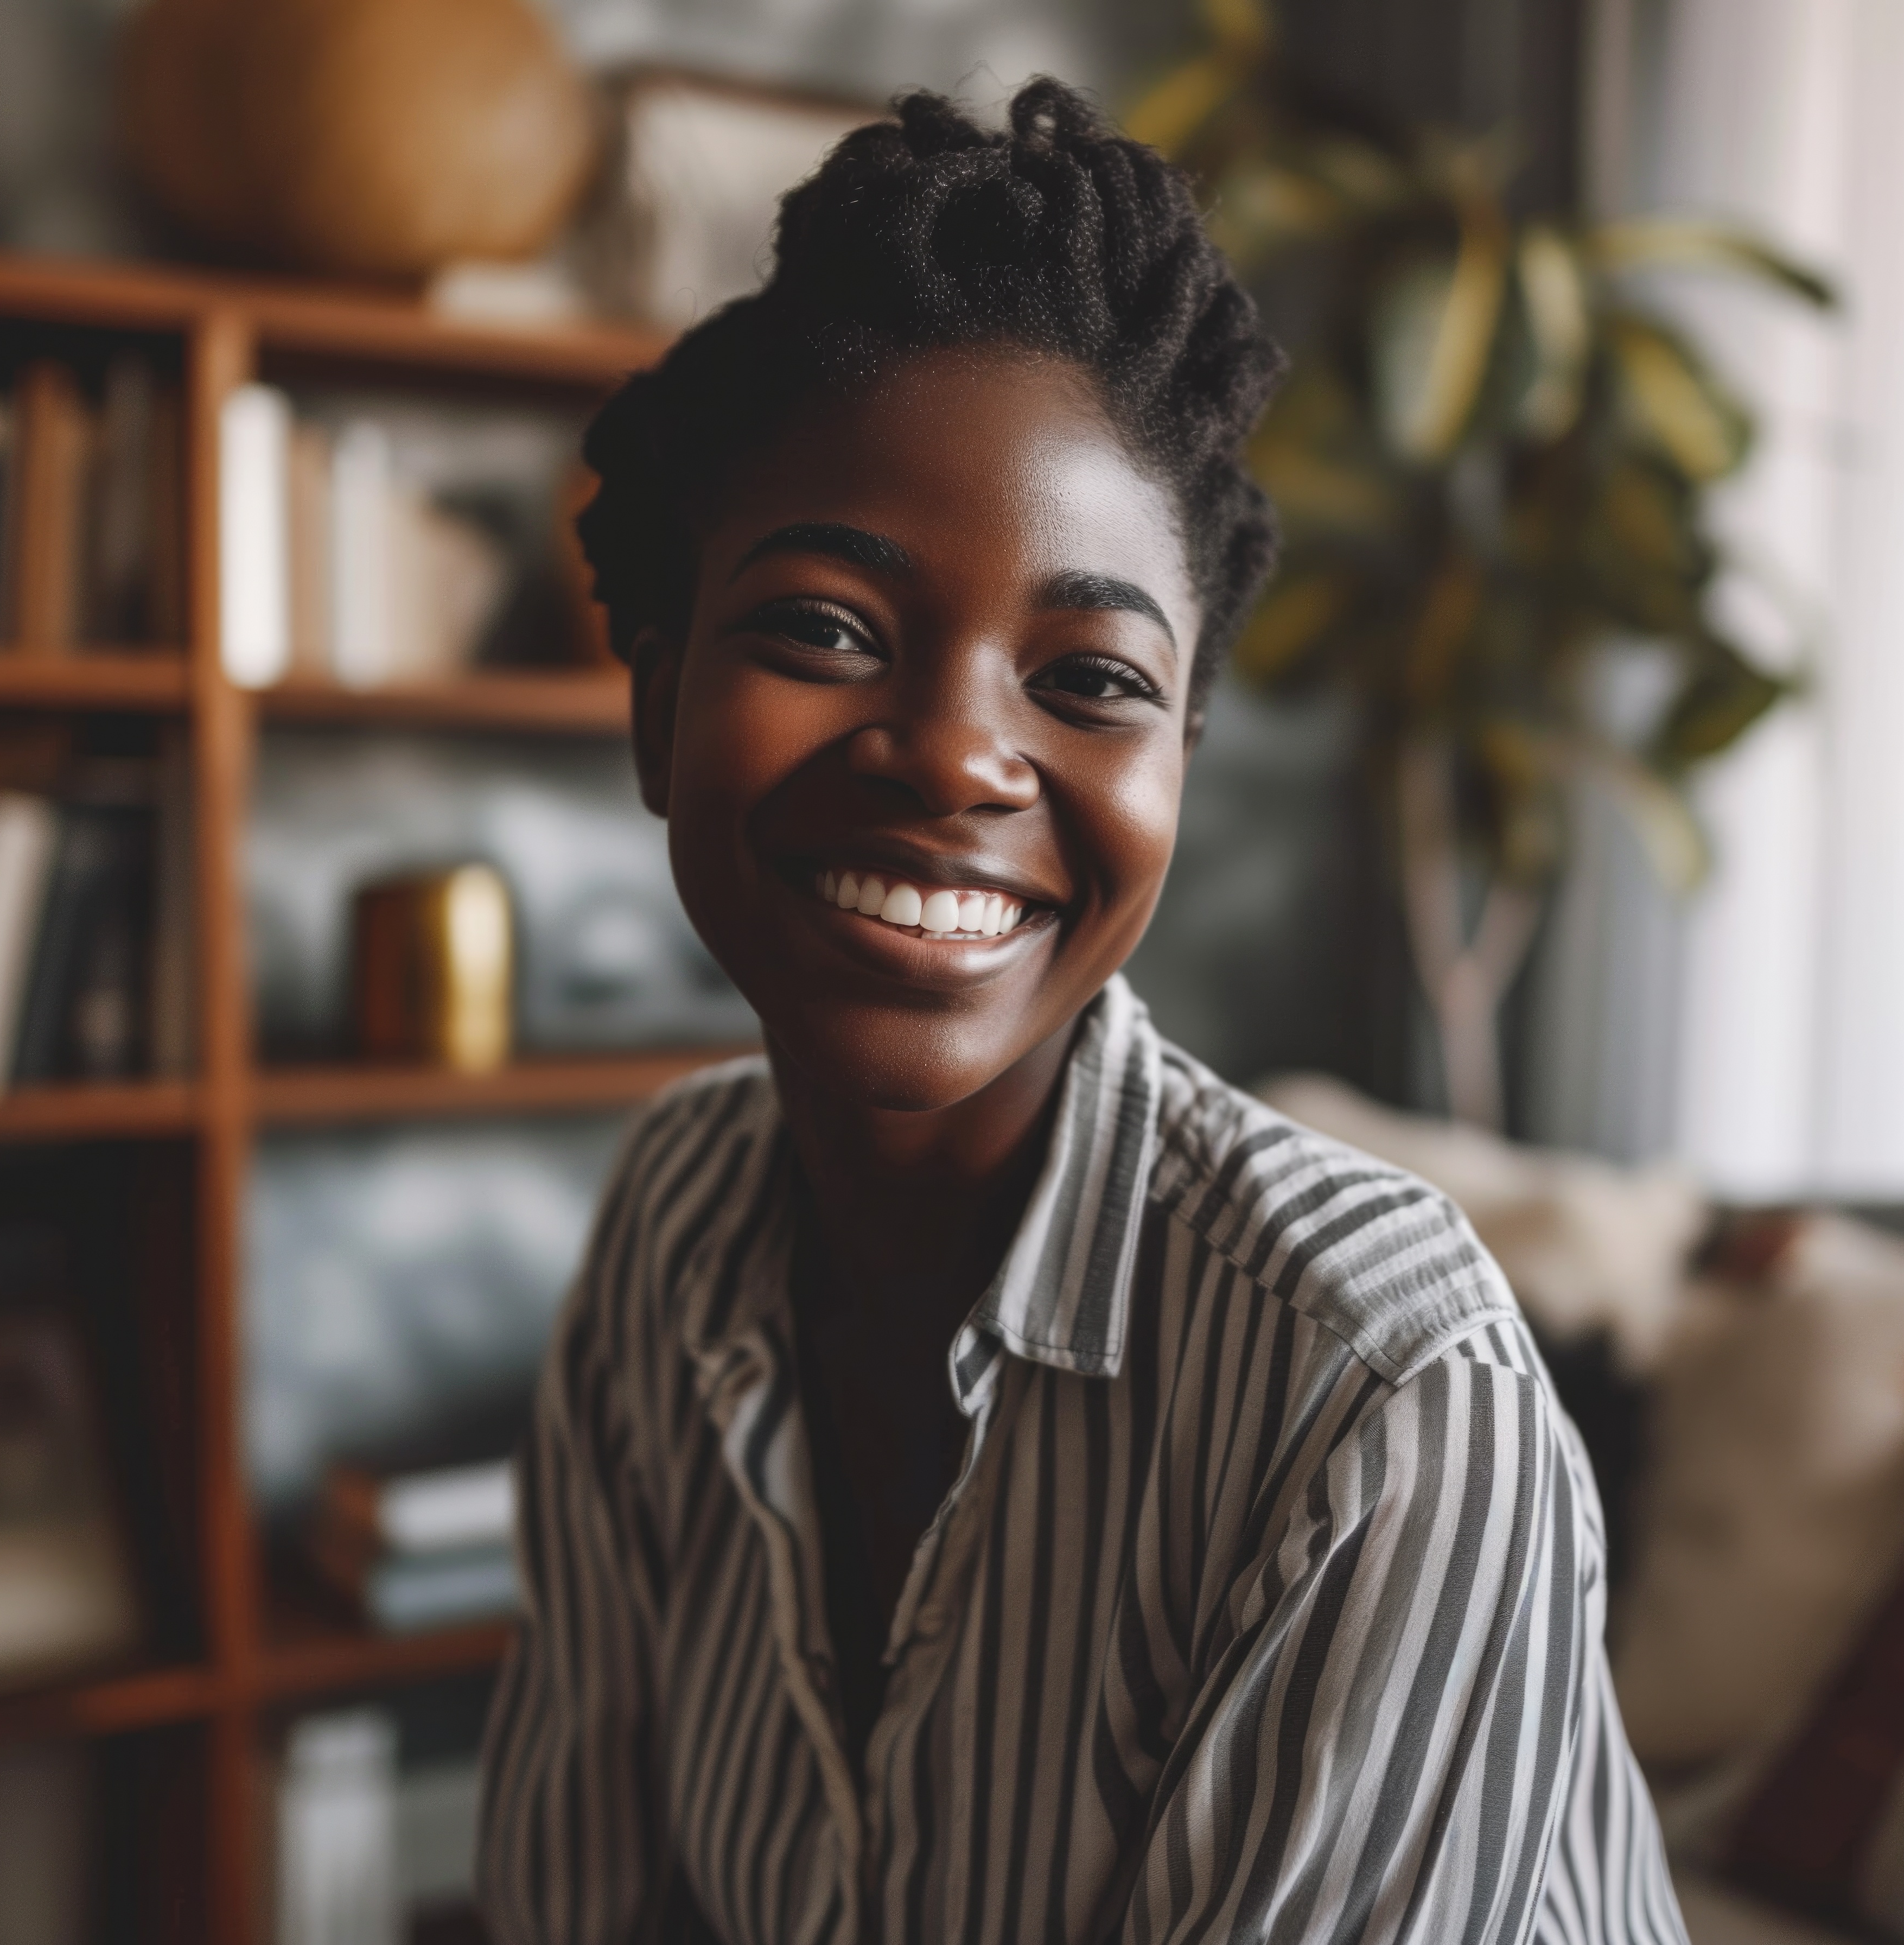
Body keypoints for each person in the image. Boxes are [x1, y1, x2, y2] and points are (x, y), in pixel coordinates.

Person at [477, 79, 1686, 1945]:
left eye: (1090, 676)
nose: (961, 754)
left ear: (1177, 771)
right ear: (658, 710)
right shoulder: (672, 1224)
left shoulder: (1380, 1392)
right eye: (824, 628)